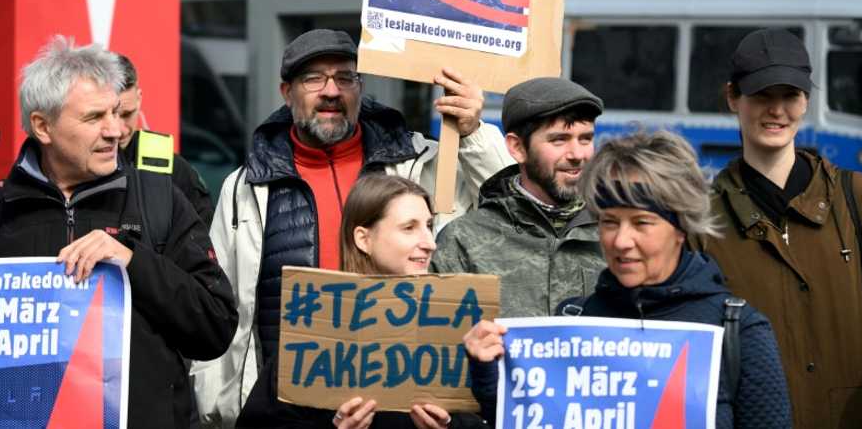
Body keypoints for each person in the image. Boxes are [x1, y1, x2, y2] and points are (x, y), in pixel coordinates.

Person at [0, 37, 237, 428]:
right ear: (42, 126)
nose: (115, 131)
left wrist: (133, 261)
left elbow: (215, 326)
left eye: (116, 113)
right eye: (93, 118)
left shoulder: (159, 201)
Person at [194, 29, 511, 428]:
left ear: (360, 89)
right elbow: (225, 303)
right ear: (286, 91)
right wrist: (216, 404)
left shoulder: (421, 163)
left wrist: (473, 133)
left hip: (408, 392)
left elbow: (507, 204)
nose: (332, 90)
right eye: (314, 79)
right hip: (291, 404)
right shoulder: (246, 187)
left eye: (345, 78)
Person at [464, 131, 792, 429]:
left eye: (641, 222)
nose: (621, 241)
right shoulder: (573, 321)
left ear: (681, 227)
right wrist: (489, 375)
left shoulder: (738, 331)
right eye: (609, 222)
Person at [688, 28, 862, 428]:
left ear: (807, 101)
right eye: (762, 94)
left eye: (790, 96)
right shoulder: (701, 218)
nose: (776, 110)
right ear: (732, 98)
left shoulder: (861, 201)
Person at [236, 174, 474, 429]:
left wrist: (450, 425)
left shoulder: (449, 326)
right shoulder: (313, 328)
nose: (430, 243)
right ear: (363, 239)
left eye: (429, 225)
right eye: (409, 228)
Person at [431, 76, 606, 316]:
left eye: (585, 138)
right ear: (517, 148)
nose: (577, 154)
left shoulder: (616, 234)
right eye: (559, 140)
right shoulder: (463, 241)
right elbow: (441, 342)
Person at [114, 52, 214, 224]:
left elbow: (204, 241)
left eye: (127, 114)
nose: (119, 130)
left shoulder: (168, 165)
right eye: (111, 115)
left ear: (139, 98)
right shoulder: (72, 163)